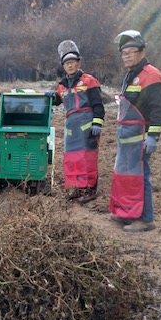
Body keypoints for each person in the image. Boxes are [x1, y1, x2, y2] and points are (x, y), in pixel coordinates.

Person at [109, 30, 161, 232]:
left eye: (131, 51)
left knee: (141, 176)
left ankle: (146, 218)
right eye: (124, 53)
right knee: (127, 176)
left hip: (140, 138)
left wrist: (152, 136)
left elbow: (159, 111)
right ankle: (127, 213)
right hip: (127, 138)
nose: (127, 56)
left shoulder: (152, 75)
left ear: (142, 52)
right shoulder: (130, 75)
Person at [45, 40, 105, 204]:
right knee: (73, 158)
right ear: (63, 66)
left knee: (88, 157)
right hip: (71, 126)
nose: (70, 66)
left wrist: (97, 123)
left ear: (78, 63)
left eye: (72, 62)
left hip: (86, 124)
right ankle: (77, 188)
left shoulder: (89, 81)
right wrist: (53, 96)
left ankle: (90, 190)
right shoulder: (62, 85)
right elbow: (59, 100)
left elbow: (98, 104)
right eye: (67, 63)